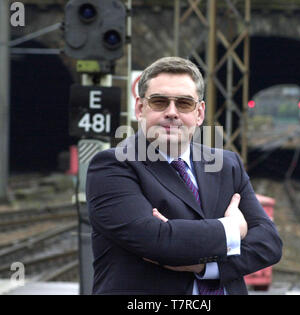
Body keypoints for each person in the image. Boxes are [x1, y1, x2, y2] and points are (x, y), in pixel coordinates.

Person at [86, 57, 282, 295]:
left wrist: (206, 266)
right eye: (159, 102)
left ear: (199, 113)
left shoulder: (226, 164)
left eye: (184, 103)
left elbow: (269, 243)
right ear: (140, 108)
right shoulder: (113, 165)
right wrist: (232, 230)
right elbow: (156, 241)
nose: (172, 113)